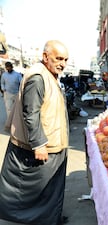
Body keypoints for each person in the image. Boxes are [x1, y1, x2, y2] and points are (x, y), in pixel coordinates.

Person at [0, 40, 70, 225]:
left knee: (50, 189)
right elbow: (31, 113)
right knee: (40, 190)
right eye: (58, 58)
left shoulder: (49, 74)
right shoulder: (38, 77)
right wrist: (39, 143)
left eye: (65, 59)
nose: (62, 63)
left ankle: (50, 218)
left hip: (54, 141)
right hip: (42, 145)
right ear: (45, 57)